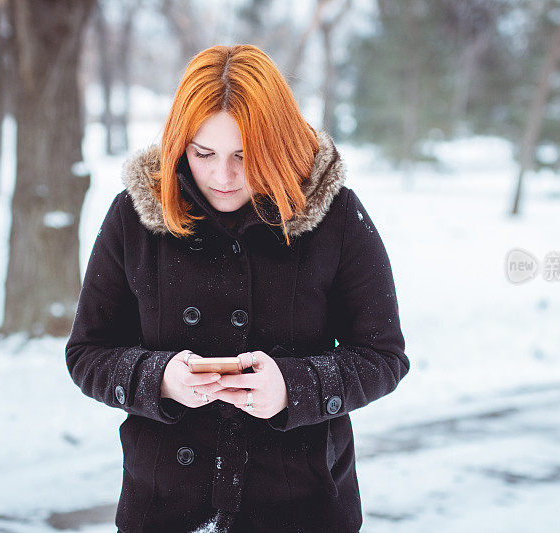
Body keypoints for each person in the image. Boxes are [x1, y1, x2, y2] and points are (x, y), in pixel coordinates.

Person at [65, 44, 408, 533]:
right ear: (179, 144)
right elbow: (87, 353)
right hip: (163, 510)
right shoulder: (135, 218)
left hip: (304, 509)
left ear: (278, 145)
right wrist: (159, 379)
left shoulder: (335, 218)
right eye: (203, 154)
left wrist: (294, 388)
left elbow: (383, 355)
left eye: (246, 157)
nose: (223, 178)